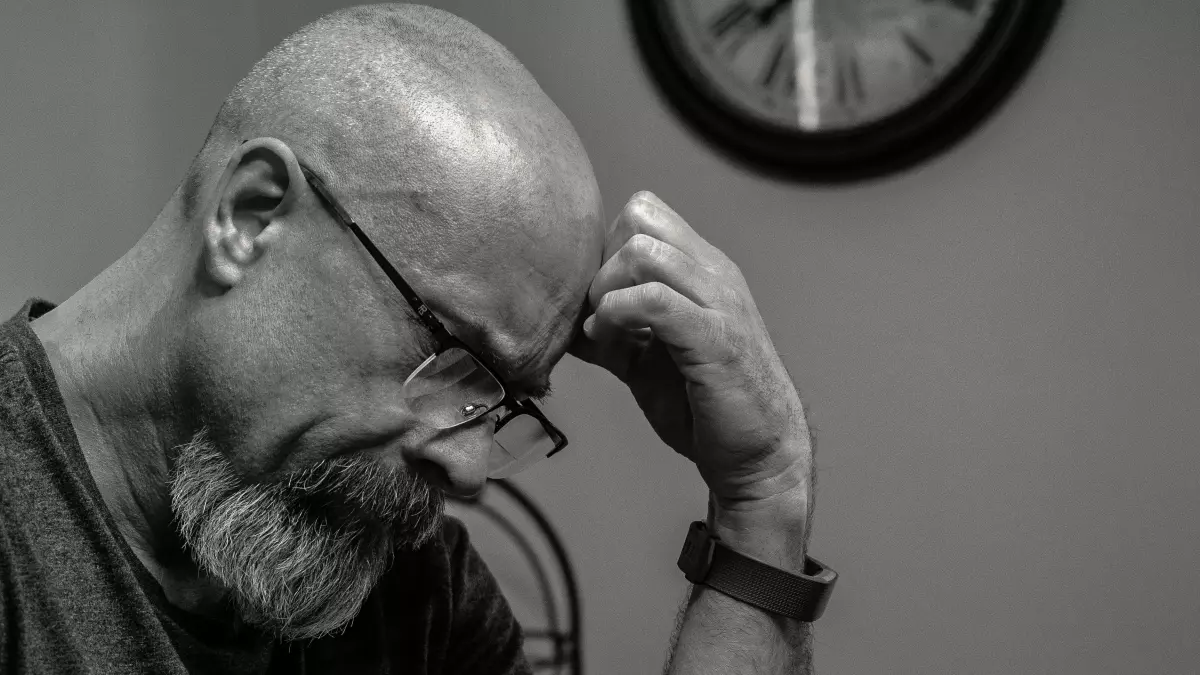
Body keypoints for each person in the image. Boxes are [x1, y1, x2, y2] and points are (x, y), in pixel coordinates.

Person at [0, 4, 821, 674]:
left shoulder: (410, 591)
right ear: (250, 217)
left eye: (499, 406)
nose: (466, 470)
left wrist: (760, 498)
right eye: (452, 357)